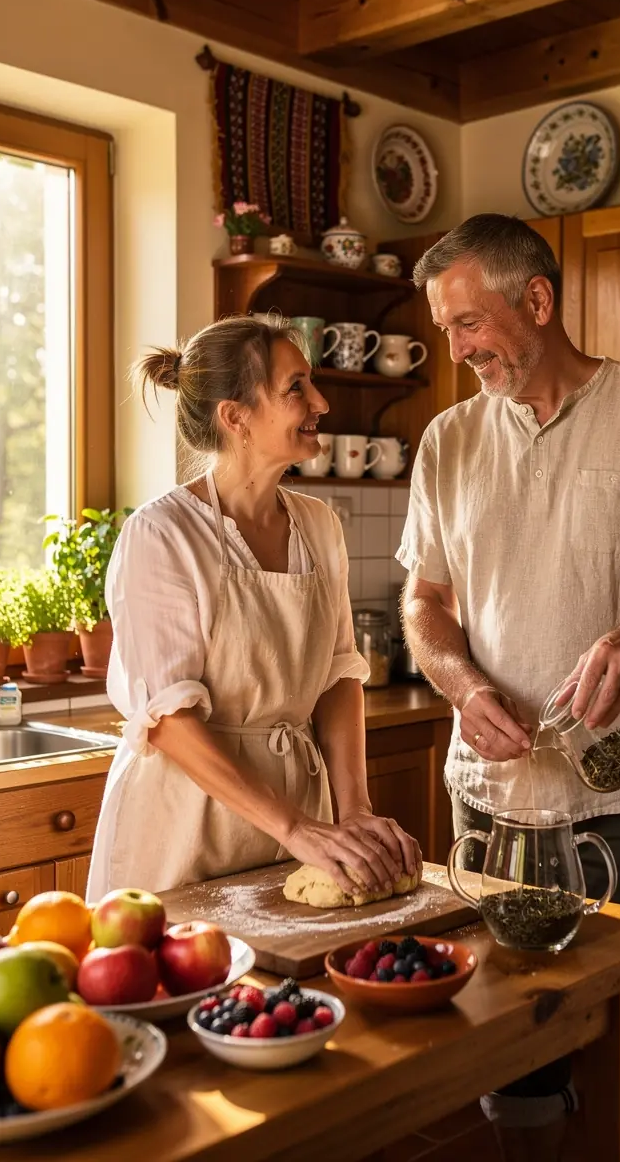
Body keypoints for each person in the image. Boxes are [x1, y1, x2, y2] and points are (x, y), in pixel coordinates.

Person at [398, 215, 620, 1162]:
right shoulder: (446, 440)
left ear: (539, 301)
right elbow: (423, 603)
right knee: (510, 1038)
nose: (459, 349)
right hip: (495, 798)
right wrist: (459, 680)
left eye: (468, 324)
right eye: (446, 331)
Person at [88, 315, 421, 901]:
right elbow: (168, 721)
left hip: (302, 821)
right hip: (186, 827)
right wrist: (296, 827)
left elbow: (340, 676)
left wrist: (353, 813)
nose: (319, 401)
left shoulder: (319, 525)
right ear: (235, 416)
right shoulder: (162, 535)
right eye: (296, 388)